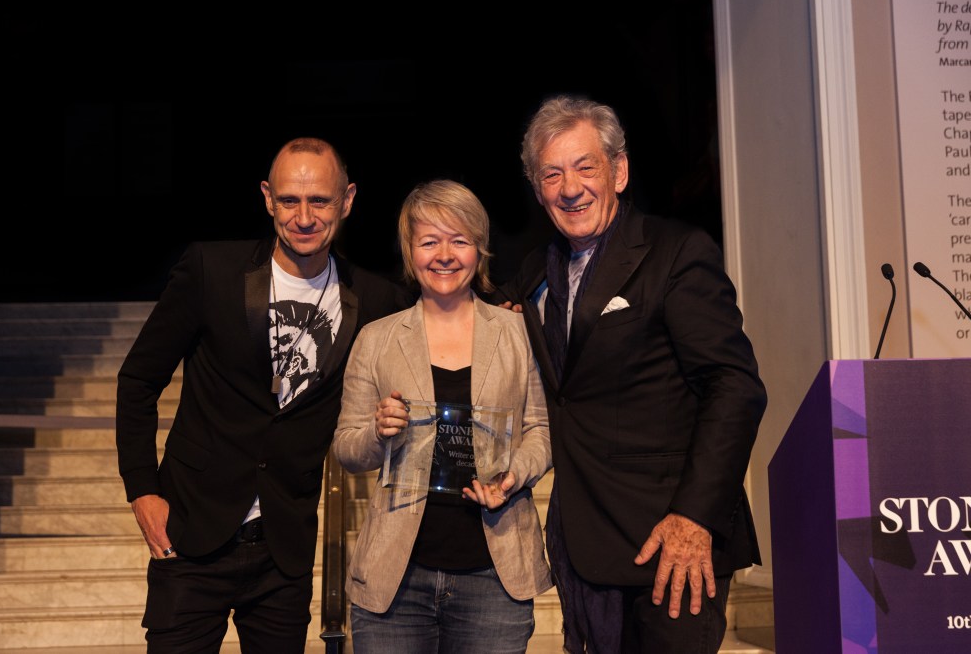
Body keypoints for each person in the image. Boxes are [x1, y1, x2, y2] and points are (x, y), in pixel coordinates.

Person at [116, 137, 411, 653]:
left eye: (319, 200)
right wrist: (142, 490)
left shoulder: (375, 298)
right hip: (190, 536)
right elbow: (139, 379)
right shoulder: (212, 270)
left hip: (284, 549)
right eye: (290, 200)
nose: (304, 216)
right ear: (267, 198)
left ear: (347, 200)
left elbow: (441, 312)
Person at [498, 96, 767, 653]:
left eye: (585, 166)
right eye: (552, 174)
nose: (569, 188)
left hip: (671, 547)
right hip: (583, 548)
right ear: (537, 187)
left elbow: (734, 387)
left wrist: (693, 518)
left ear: (619, 171)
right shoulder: (532, 275)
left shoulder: (676, 254)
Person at [332, 180, 552, 654]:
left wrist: (515, 473)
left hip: (494, 577)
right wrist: (376, 430)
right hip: (396, 579)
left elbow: (542, 429)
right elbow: (347, 448)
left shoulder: (519, 332)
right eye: (429, 241)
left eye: (460, 240)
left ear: (480, 249)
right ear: (411, 253)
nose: (445, 255)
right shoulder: (377, 339)